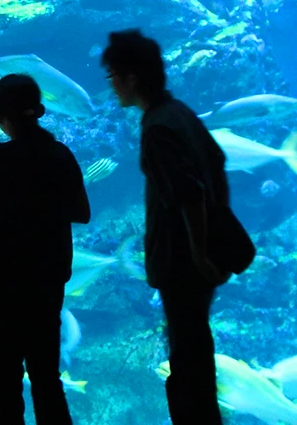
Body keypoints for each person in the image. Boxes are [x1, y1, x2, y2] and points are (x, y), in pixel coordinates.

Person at [102, 28, 227, 425]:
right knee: (196, 355)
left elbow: (189, 195)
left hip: (182, 266)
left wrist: (198, 253)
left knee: (187, 364)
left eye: (113, 78)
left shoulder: (157, 128)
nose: (112, 87)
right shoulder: (182, 115)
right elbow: (216, 167)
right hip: (193, 265)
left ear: (132, 78)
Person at [0, 73, 90, 425]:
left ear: (1, 116)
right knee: (47, 382)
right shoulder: (60, 156)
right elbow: (83, 213)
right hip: (45, 285)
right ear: (39, 109)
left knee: (5, 389)